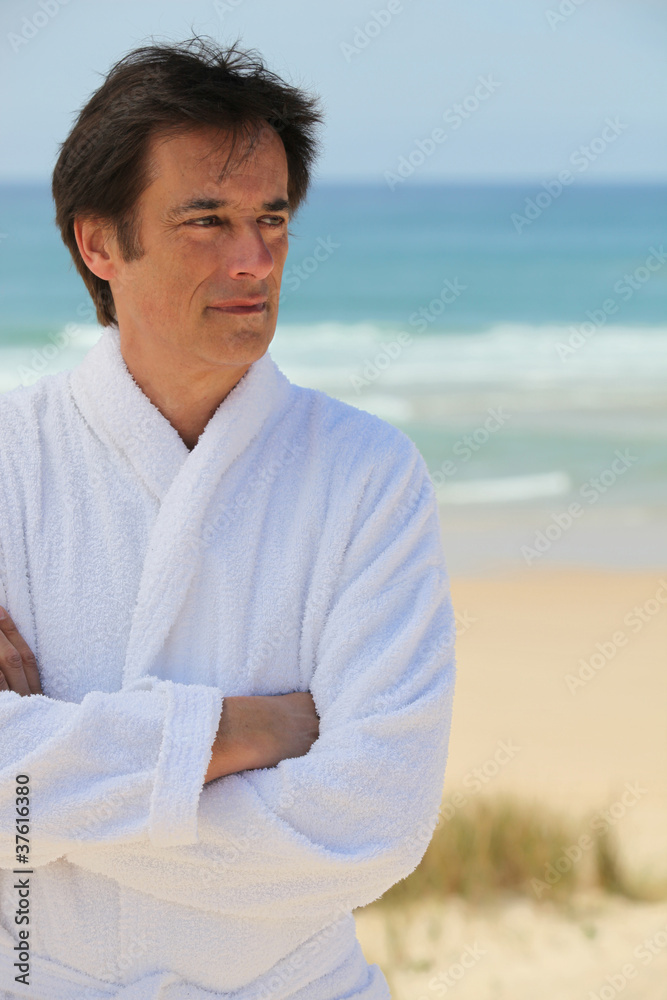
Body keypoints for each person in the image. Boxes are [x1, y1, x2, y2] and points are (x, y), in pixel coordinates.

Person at [0, 37, 456, 1000]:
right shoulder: (11, 458)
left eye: (271, 218)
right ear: (98, 243)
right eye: (206, 219)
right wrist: (236, 734)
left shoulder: (368, 476)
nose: (253, 260)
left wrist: (49, 810)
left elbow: (374, 821)